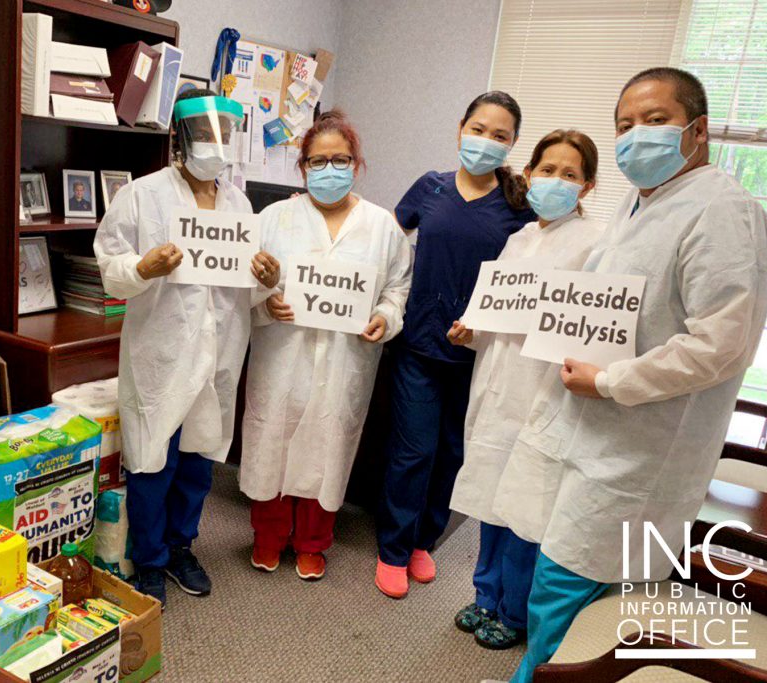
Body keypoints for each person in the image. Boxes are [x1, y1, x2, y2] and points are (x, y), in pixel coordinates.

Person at [493, 68, 767, 683]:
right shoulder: (639, 203)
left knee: (574, 595)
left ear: (697, 130)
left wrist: (612, 382)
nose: (634, 136)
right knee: (572, 592)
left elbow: (722, 345)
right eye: (623, 125)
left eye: (653, 121)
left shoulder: (724, 210)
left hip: (642, 452)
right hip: (595, 435)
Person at [93, 88, 280, 607]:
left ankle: (181, 547)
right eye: (203, 132)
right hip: (162, 354)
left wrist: (269, 277)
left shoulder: (241, 205)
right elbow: (111, 269)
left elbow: (249, 288)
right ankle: (149, 558)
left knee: (199, 460)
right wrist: (143, 268)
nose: (214, 144)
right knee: (154, 459)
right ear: (180, 136)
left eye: (224, 132)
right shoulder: (142, 196)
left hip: (219, 355)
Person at [445, 130, 605, 650]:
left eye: (569, 174)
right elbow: (494, 311)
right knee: (489, 495)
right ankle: (483, 595)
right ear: (529, 175)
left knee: (526, 506)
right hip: (496, 382)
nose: (555, 181)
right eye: (546, 169)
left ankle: (513, 610)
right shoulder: (518, 239)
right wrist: (469, 328)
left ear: (588, 186)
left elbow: (592, 326)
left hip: (544, 394)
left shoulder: (594, 245)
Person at [239, 110, 412, 581]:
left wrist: (384, 316)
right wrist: (265, 302)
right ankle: (268, 535)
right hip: (282, 354)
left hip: (345, 360)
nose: (329, 169)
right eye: (318, 161)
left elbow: (398, 288)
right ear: (302, 168)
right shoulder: (273, 219)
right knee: (273, 435)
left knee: (329, 441)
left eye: (340, 159)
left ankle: (314, 541)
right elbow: (246, 280)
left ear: (357, 164)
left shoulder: (382, 227)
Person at [376, 91, 536, 599]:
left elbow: (531, 278)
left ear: (512, 144)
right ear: (460, 128)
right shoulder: (430, 188)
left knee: (452, 454)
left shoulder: (518, 207)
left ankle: (425, 540)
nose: (486, 142)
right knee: (412, 451)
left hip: (479, 356)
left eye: (500, 136)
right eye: (479, 129)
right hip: (420, 347)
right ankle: (393, 550)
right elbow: (382, 241)